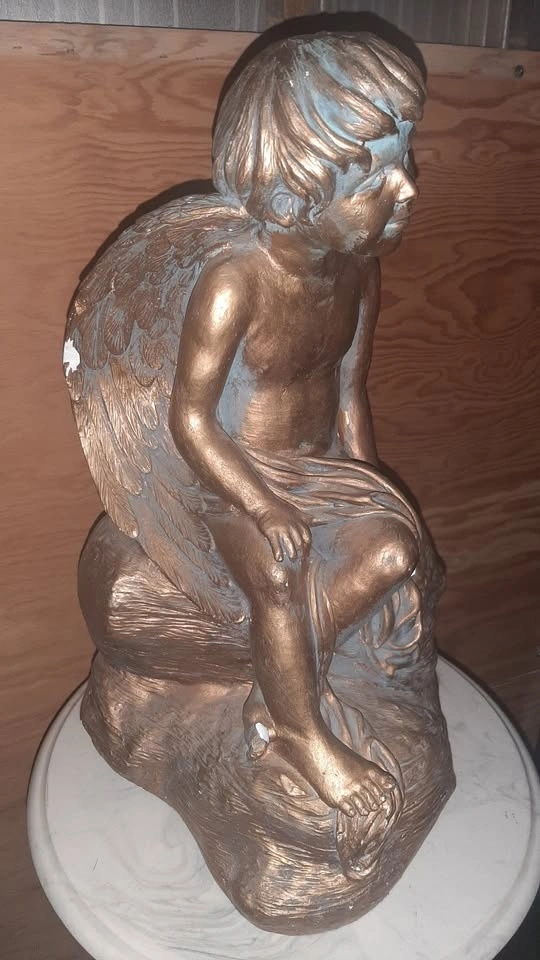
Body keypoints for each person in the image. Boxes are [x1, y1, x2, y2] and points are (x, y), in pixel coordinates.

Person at [165, 32, 427, 820]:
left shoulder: (360, 270)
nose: (407, 187)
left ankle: (278, 683)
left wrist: (376, 491)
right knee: (282, 573)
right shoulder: (233, 284)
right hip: (235, 474)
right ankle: (300, 734)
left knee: (395, 553)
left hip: (320, 471)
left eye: (406, 161)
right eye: (376, 181)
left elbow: (350, 395)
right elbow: (190, 419)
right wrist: (262, 504)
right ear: (293, 203)